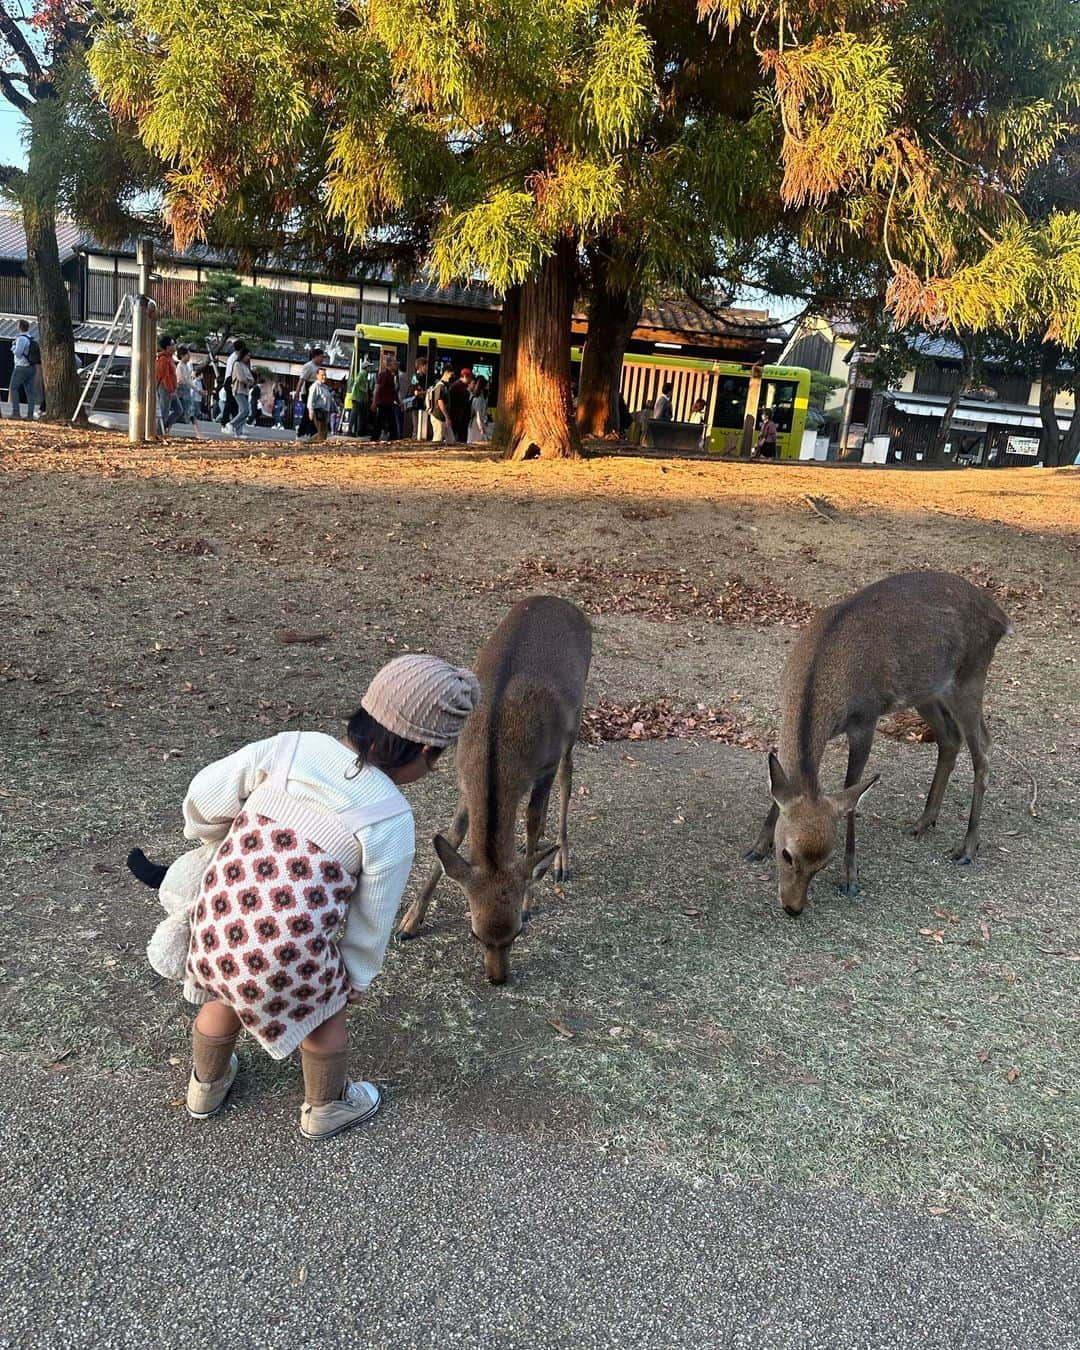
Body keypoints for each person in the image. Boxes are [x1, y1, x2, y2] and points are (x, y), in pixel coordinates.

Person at [129, 655, 480, 1138]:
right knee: (324, 1014)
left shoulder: (291, 748)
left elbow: (206, 793)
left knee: (223, 995)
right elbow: (372, 917)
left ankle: (204, 1085)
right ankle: (325, 1107)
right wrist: (354, 976)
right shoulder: (390, 819)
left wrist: (209, 830)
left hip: (216, 927)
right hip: (287, 955)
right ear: (424, 749)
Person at [8, 318, 41, 420]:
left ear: (19, 327)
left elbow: (18, 353)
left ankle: (16, 412)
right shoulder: (31, 338)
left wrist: (13, 347)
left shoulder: (21, 339)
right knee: (30, 392)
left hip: (21, 367)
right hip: (32, 367)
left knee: (13, 388)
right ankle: (30, 415)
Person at [295, 348, 325, 439]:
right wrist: (297, 392)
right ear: (315, 356)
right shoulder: (308, 366)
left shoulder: (319, 368)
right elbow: (302, 380)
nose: (322, 359)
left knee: (314, 414)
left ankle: (312, 433)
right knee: (308, 413)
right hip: (308, 390)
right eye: (321, 357)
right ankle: (301, 433)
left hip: (317, 391)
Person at [155, 335, 183, 435]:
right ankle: (159, 431)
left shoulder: (170, 358)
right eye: (172, 344)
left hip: (171, 388)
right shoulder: (163, 359)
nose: (174, 346)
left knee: (178, 410)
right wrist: (171, 390)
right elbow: (165, 377)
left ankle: (163, 428)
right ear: (167, 347)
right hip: (165, 387)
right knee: (164, 411)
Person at [174, 347, 203, 438]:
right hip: (182, 390)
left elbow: (188, 380)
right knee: (185, 411)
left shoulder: (185, 365)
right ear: (183, 355)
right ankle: (199, 434)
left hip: (185, 390)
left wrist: (196, 389)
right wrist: (197, 389)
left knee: (188, 412)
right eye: (188, 354)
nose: (189, 356)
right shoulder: (180, 366)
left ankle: (199, 433)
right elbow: (185, 380)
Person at [372, 356, 400, 442]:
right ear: (390, 364)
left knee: (386, 423)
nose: (396, 366)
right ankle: (376, 438)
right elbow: (377, 389)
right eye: (395, 364)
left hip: (388, 403)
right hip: (384, 404)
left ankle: (389, 438)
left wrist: (399, 402)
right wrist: (374, 402)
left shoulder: (392, 376)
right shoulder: (384, 375)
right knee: (382, 423)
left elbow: (393, 392)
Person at [227, 348, 255, 436]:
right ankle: (231, 424)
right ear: (243, 355)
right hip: (238, 390)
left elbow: (252, 379)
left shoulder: (245, 366)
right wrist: (248, 381)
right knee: (245, 410)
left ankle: (238, 433)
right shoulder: (237, 364)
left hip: (245, 391)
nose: (249, 357)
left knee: (242, 411)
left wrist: (248, 380)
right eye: (248, 355)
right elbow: (241, 378)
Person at [427, 364, 454, 444]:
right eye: (451, 374)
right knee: (437, 440)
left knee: (450, 440)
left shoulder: (443, 385)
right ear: (446, 373)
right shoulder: (440, 386)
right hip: (438, 416)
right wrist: (447, 417)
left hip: (441, 417)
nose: (451, 377)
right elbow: (440, 401)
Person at [307, 366, 334, 442]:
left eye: (325, 375)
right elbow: (310, 399)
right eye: (322, 375)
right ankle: (309, 443)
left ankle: (310, 443)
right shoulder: (315, 386)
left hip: (325, 411)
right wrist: (310, 411)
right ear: (317, 376)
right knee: (322, 431)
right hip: (318, 411)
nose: (324, 377)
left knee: (324, 432)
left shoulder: (325, 387)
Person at [447, 367, 472, 444]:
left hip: (460, 417)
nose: (470, 380)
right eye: (469, 378)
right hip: (458, 417)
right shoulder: (457, 387)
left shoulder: (458, 386)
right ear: (464, 376)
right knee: (459, 439)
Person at [410, 357, 429, 440]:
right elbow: (416, 392)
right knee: (417, 426)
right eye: (426, 366)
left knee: (420, 426)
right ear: (421, 366)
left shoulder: (420, 377)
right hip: (417, 405)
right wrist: (427, 392)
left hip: (420, 404)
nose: (427, 368)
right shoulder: (416, 377)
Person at [467, 374, 489, 443]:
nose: (488, 388)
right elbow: (478, 416)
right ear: (483, 387)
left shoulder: (481, 398)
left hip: (478, 424)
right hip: (475, 425)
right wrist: (481, 429)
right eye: (487, 386)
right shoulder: (478, 399)